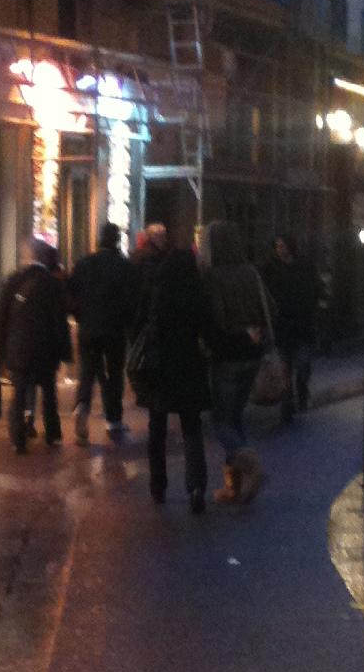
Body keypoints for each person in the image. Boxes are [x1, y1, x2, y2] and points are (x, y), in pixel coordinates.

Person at [133, 243, 210, 512]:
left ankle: (158, 485)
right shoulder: (197, 292)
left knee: (157, 426)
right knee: (191, 426)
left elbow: (139, 324)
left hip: (159, 366)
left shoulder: (156, 291)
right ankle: (196, 486)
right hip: (189, 363)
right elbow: (207, 327)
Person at [200, 219, 271, 504]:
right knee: (236, 417)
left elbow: (214, 319)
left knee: (221, 421)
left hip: (226, 354)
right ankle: (235, 487)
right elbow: (271, 308)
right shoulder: (251, 272)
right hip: (253, 354)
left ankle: (249, 462)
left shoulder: (212, 276)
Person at [0, 238, 73, 454]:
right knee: (48, 391)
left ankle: (18, 437)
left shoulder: (13, 281)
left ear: (26, 256)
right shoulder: (51, 283)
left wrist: (2, 351)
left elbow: (2, 319)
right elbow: (59, 321)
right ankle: (52, 432)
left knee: (19, 393)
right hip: (46, 349)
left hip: (18, 347)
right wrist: (64, 351)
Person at [68, 221, 135, 444]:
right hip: (113, 329)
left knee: (87, 371)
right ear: (116, 240)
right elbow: (131, 300)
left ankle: (82, 405)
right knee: (113, 374)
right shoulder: (123, 266)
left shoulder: (84, 264)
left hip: (88, 328)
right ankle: (113, 419)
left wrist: (80, 316)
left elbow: (71, 293)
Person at [260, 233, 317, 423]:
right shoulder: (270, 268)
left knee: (303, 364)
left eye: (282, 246)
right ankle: (288, 403)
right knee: (284, 366)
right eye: (277, 246)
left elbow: (314, 288)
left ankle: (302, 391)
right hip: (281, 325)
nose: (280, 250)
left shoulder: (304, 266)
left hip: (302, 323)